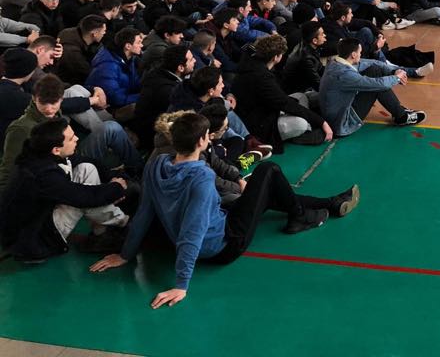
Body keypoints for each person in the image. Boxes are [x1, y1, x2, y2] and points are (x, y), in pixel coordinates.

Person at [89, 112, 359, 308]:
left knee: (264, 192)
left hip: (204, 227)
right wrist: (181, 285)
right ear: (203, 140)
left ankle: (326, 204)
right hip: (224, 244)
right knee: (268, 170)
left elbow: (146, 212)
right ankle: (302, 215)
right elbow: (192, 232)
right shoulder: (201, 178)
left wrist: (126, 254)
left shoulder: (157, 164)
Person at [0, 117, 129, 263]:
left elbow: (80, 161)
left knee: (87, 168)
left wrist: (113, 179)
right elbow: (85, 196)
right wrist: (116, 188)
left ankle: (103, 231)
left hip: (36, 220)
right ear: (56, 150)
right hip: (34, 243)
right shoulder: (43, 175)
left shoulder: (38, 151)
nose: (77, 138)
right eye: (71, 138)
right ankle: (124, 223)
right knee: (85, 199)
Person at [232, 34, 331, 150]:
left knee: (300, 96)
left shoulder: (251, 63)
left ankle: (307, 127)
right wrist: (321, 122)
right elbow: (284, 103)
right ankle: (300, 134)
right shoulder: (262, 77)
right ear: (276, 57)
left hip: (263, 109)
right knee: (300, 124)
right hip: (260, 124)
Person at [319, 37, 425, 136]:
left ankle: (398, 111)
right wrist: (396, 78)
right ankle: (401, 116)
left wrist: (393, 71)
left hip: (335, 112)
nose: (361, 55)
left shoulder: (335, 62)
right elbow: (377, 84)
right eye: (360, 52)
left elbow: (371, 63)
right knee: (376, 84)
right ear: (353, 55)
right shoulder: (344, 74)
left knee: (374, 70)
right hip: (341, 123)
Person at [85, 27, 144, 114]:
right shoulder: (108, 66)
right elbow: (114, 98)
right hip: (109, 109)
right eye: (139, 42)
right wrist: (143, 97)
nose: (142, 45)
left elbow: (134, 82)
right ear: (128, 46)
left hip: (123, 101)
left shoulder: (129, 58)